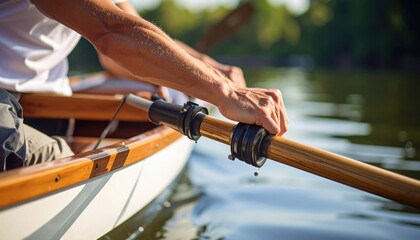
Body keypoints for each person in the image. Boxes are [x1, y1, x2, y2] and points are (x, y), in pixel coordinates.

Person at [0, 0, 288, 171]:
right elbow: (112, 35)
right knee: (65, 165)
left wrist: (215, 70)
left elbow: (126, 36)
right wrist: (226, 92)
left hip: (30, 102)